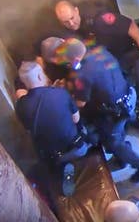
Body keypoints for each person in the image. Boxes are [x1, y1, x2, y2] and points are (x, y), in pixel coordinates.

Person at [54, 1, 139, 145]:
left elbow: (130, 25)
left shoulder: (99, 18)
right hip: (115, 58)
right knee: (125, 88)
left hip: (134, 50)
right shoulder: (69, 33)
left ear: (76, 10)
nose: (71, 23)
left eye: (72, 18)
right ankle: (133, 119)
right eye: (66, 22)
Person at [55, 38, 139, 183]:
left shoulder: (82, 74)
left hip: (116, 111)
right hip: (129, 94)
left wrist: (64, 93)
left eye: (68, 61)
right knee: (122, 126)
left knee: (114, 142)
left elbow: (81, 102)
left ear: (76, 58)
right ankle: (130, 137)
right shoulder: (99, 50)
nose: (69, 65)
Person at [15, 61, 90, 196]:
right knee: (84, 127)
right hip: (77, 148)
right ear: (39, 76)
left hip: (51, 156)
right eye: (42, 73)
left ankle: (62, 173)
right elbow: (76, 119)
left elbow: (28, 128)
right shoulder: (60, 93)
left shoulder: (21, 106)